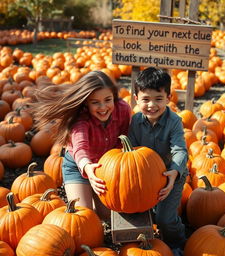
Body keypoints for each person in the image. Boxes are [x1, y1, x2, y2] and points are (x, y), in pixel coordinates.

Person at [30, 71, 132, 220]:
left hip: (105, 167)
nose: (103, 107)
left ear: (114, 97)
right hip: (78, 167)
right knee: (84, 217)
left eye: (107, 100)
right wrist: (88, 169)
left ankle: (97, 202)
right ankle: (87, 196)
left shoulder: (122, 109)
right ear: (86, 103)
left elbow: (123, 140)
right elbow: (80, 148)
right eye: (95, 102)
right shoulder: (80, 119)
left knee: (108, 215)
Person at [128, 67, 188, 253]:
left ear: (169, 98)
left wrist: (174, 173)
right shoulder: (135, 122)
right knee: (142, 212)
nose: (152, 105)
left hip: (170, 174)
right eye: (146, 99)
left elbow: (179, 149)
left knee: (165, 218)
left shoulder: (174, 121)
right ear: (136, 99)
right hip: (145, 175)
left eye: (158, 99)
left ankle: (178, 242)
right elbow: (132, 151)